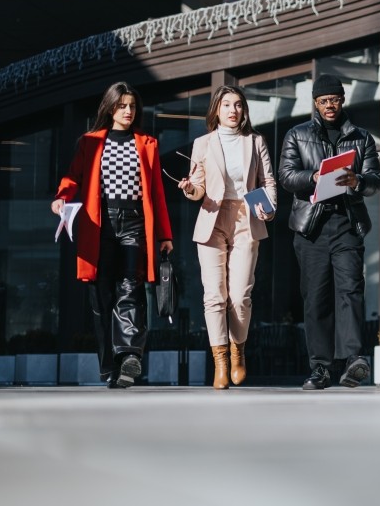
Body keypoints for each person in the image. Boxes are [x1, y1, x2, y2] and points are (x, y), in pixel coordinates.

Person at [52, 82, 173, 388]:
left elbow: (157, 193)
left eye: (132, 106)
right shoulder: (90, 142)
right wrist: (62, 198)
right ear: (109, 108)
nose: (128, 111)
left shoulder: (147, 143)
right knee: (102, 296)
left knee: (131, 289)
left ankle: (130, 355)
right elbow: (72, 177)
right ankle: (110, 366)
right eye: (122, 106)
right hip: (100, 224)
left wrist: (164, 235)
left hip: (134, 223)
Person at [278, 74, 380, 390]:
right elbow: (286, 176)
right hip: (311, 228)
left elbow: (376, 178)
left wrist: (357, 182)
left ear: (342, 99)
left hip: (346, 224)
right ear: (315, 103)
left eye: (334, 100)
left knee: (350, 290)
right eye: (323, 101)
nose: (329, 106)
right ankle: (320, 368)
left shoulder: (361, 138)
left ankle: (354, 360)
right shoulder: (297, 135)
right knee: (316, 298)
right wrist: (316, 177)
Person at [177, 85, 277, 389]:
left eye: (238, 105)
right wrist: (189, 189)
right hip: (212, 217)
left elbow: (268, 181)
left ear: (244, 110)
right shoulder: (203, 143)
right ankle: (220, 361)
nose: (233, 110)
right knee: (214, 296)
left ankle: (238, 351)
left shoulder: (255, 141)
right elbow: (198, 187)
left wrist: (268, 209)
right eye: (227, 105)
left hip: (246, 217)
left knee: (240, 296)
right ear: (216, 111)